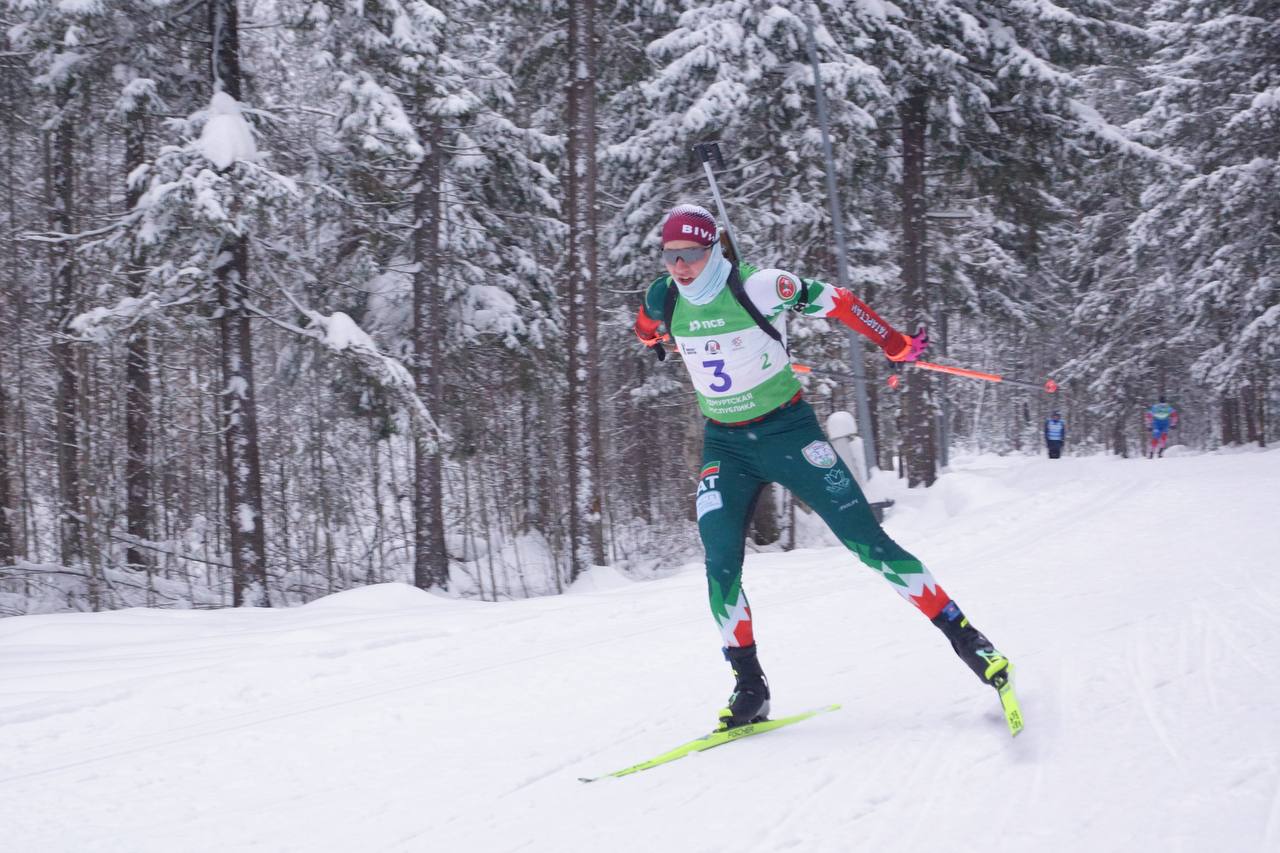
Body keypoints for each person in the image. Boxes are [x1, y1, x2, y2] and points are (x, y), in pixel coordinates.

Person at [633, 204, 1011, 730]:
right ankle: (749, 685)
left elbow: (840, 301)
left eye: (691, 254)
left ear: (714, 249)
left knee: (869, 544)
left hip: (790, 434)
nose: (680, 266)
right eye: (671, 255)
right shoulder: (665, 294)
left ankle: (971, 641)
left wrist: (895, 342)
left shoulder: (761, 286)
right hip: (725, 446)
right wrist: (654, 338)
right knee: (720, 562)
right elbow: (645, 324)